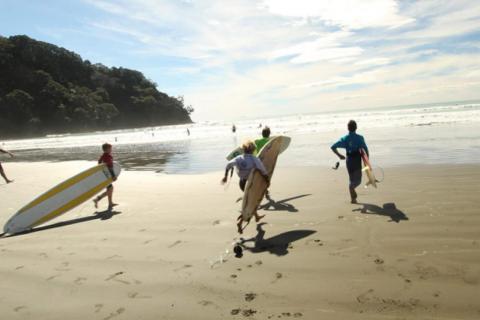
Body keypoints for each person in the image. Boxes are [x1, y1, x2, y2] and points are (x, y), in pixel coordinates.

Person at [221, 140, 269, 233]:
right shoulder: (254, 159)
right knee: (252, 201)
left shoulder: (238, 158)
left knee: (250, 201)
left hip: (242, 183)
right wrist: (267, 180)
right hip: (251, 184)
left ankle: (256, 216)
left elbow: (228, 165)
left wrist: (225, 176)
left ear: (243, 150)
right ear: (253, 149)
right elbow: (262, 170)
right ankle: (240, 222)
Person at [331, 120, 369, 204]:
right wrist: (367, 161)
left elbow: (333, 147)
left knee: (351, 179)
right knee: (358, 180)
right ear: (356, 127)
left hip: (349, 161)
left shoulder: (344, 138)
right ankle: (352, 188)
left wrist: (339, 155)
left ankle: (353, 199)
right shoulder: (360, 138)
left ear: (348, 128)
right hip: (356, 160)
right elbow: (366, 149)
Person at [93, 143, 118, 210]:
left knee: (109, 188)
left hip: (103, 175)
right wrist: (113, 176)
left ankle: (110, 203)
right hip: (107, 175)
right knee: (110, 189)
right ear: (107, 149)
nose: (111, 150)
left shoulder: (103, 156)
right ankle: (97, 199)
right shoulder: (108, 156)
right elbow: (110, 167)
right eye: (110, 148)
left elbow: (99, 163)